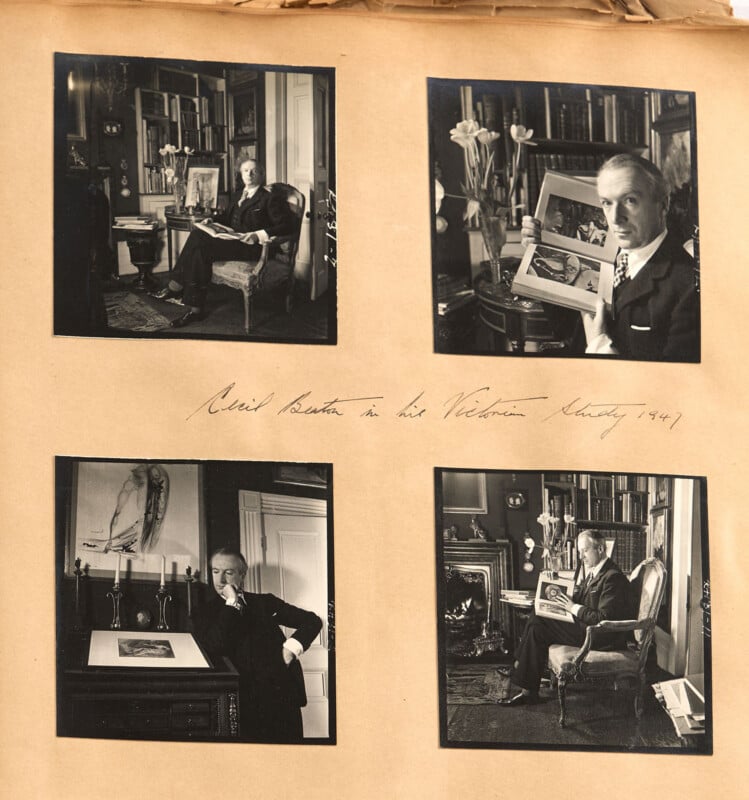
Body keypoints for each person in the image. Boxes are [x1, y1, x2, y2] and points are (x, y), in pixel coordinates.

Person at [521, 153, 699, 361]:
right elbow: (568, 330)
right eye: (606, 203)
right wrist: (539, 251)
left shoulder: (689, 285)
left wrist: (599, 344)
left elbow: (675, 386)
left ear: (663, 204)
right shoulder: (602, 255)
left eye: (630, 200)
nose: (615, 219)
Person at [191, 547, 322, 742]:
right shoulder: (203, 613)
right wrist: (232, 602)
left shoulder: (265, 603)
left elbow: (312, 621)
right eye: (215, 571)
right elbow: (216, 645)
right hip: (239, 702)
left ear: (242, 574)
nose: (220, 581)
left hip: (280, 698)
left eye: (228, 572)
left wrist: (290, 649)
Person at [152, 159, 293, 328]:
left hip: (254, 247)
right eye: (245, 170)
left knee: (199, 242)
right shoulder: (238, 194)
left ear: (261, 175)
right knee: (199, 240)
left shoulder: (270, 198)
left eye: (254, 171)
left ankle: (176, 286)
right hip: (235, 241)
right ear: (241, 174)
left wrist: (258, 234)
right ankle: (195, 308)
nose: (249, 174)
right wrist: (212, 220)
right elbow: (227, 217)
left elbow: (287, 225)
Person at [501, 529, 631, 706]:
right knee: (539, 615)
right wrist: (555, 582)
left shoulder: (613, 577)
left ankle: (520, 672)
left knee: (539, 621)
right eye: (579, 552)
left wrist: (571, 607)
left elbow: (602, 618)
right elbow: (582, 598)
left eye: (584, 551)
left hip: (601, 636)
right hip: (587, 628)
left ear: (600, 549)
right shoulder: (596, 571)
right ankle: (525, 681)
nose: (581, 557)